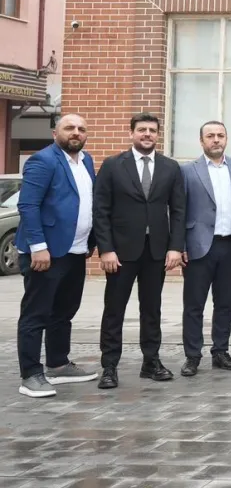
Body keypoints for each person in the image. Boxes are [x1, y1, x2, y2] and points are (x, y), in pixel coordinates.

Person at [94, 113, 186, 389]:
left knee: (151, 309)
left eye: (152, 130)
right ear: (131, 133)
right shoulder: (113, 165)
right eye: (142, 129)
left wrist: (175, 247)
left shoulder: (171, 167)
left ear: (158, 134)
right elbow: (100, 210)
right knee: (114, 309)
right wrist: (106, 249)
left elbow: (178, 211)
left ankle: (151, 362)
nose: (147, 134)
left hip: (156, 251)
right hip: (121, 252)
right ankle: (109, 366)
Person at [15, 115, 99, 398]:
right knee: (36, 314)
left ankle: (58, 364)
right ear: (55, 133)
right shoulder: (43, 161)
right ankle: (30, 375)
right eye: (69, 128)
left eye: (81, 129)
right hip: (46, 252)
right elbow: (28, 205)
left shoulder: (86, 161)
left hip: (75, 250)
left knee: (64, 311)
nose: (76, 133)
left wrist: (90, 240)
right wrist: (38, 246)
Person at [179, 120, 231, 377]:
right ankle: (192, 356)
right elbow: (178, 211)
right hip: (198, 247)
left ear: (226, 139)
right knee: (194, 305)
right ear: (201, 141)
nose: (216, 140)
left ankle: (221, 351)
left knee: (225, 303)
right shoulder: (187, 171)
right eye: (210, 136)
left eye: (220, 135)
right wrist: (179, 246)